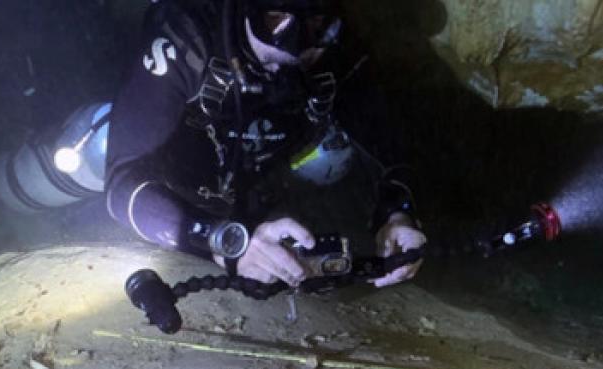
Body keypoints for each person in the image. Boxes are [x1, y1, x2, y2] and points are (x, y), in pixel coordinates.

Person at [104, 0, 426, 288]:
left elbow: (390, 139)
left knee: (335, 155)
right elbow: (120, 183)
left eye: (314, 23)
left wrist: (397, 211)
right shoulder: (188, 37)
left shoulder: (343, 47)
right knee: (90, 155)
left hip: (262, 171)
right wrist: (226, 242)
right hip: (173, 169)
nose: (295, 43)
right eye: (275, 19)